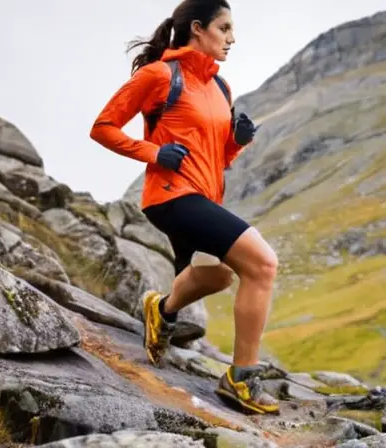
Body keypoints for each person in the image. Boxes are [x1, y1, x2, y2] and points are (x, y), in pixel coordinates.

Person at [89, 0, 280, 415]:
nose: (232, 38)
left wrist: (237, 142)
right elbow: (102, 128)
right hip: (171, 196)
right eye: (224, 28)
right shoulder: (160, 75)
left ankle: (162, 309)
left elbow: (215, 158)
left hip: (203, 196)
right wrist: (154, 154)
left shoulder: (220, 88)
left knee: (221, 276)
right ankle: (242, 379)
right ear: (198, 28)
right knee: (263, 264)